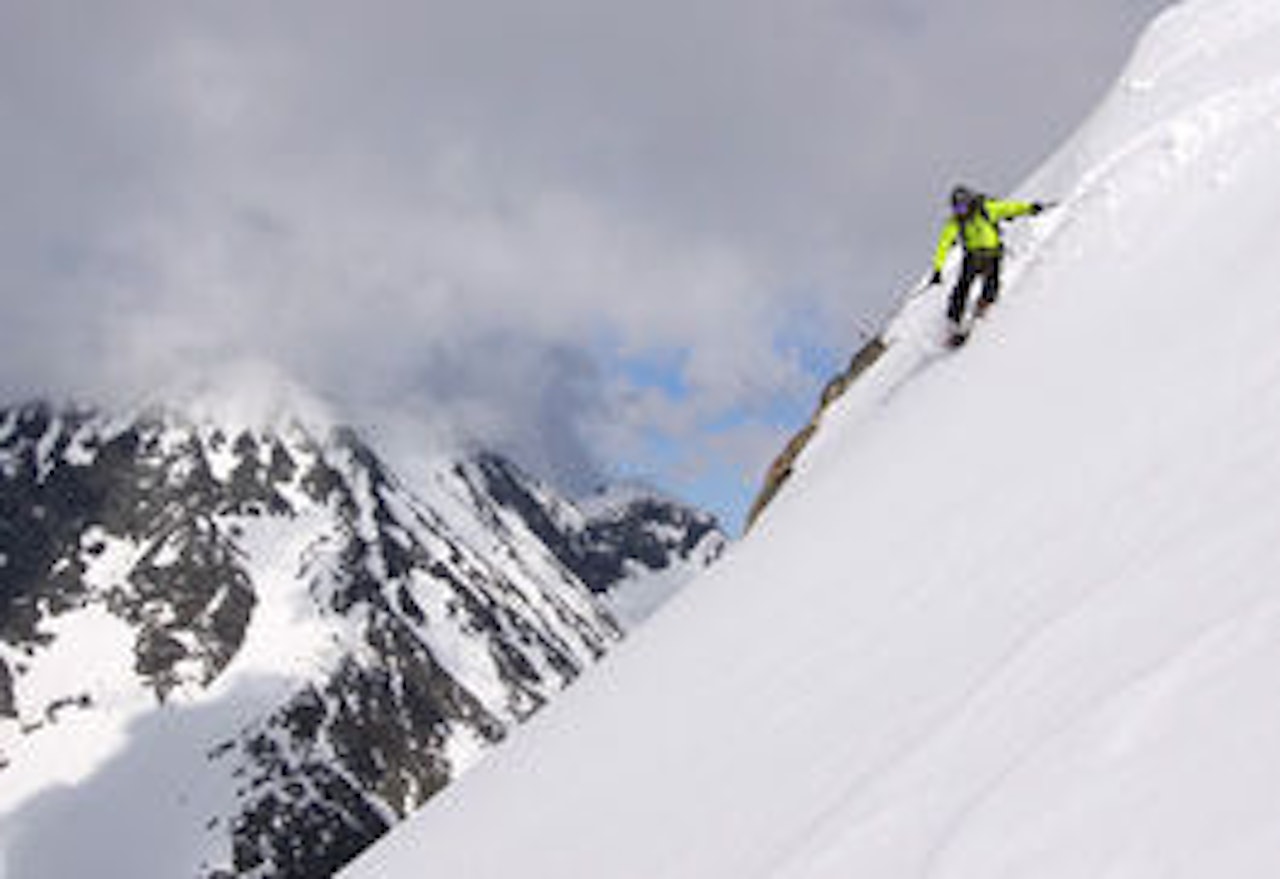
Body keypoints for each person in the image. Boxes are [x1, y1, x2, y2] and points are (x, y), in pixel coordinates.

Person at [929, 185, 1047, 344]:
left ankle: (984, 304)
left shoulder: (986, 209)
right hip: (972, 256)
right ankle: (953, 321)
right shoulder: (955, 223)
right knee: (962, 287)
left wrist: (1029, 208)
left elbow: (1009, 208)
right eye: (957, 208)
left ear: (970, 202)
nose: (961, 211)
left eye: (963, 206)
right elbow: (943, 245)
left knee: (992, 282)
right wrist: (937, 269)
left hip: (992, 254)